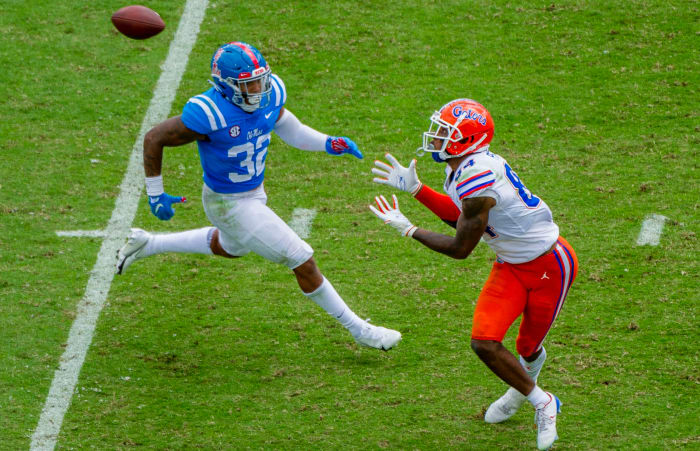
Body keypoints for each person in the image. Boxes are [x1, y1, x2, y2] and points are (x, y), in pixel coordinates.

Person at [117, 41, 401, 351]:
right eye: (248, 84)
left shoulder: (270, 93)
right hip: (228, 202)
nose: (257, 89)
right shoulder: (209, 113)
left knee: (230, 247)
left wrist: (328, 143)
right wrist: (155, 193)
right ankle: (361, 329)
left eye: (259, 80)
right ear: (224, 85)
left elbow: (288, 127)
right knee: (301, 258)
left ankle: (149, 243)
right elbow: (154, 138)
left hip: (253, 193)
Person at [369, 98, 577, 449]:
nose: (435, 137)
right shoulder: (464, 167)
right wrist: (418, 191)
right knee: (484, 341)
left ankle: (518, 394)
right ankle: (543, 401)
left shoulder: (477, 175)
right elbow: (459, 217)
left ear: (466, 141)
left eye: (444, 133)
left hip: (548, 266)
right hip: (510, 264)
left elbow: (460, 248)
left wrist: (409, 229)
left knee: (528, 347)